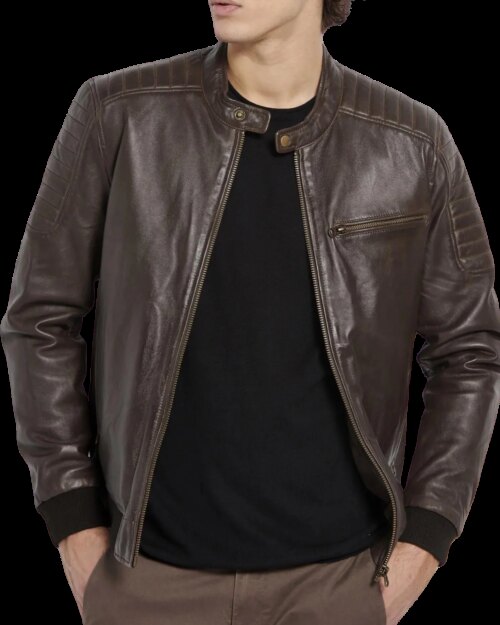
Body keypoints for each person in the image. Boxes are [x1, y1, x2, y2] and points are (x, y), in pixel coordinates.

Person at [1, 1, 499, 623]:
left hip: (340, 585)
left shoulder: (412, 141)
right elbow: (39, 318)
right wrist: (73, 519)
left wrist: (425, 539)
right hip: (145, 582)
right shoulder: (118, 111)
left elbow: (468, 352)